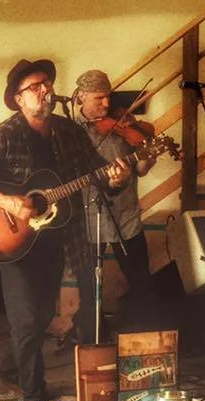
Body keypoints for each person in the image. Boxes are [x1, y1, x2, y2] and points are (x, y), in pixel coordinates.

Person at [0, 59, 131, 401]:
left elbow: (96, 172)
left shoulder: (68, 132)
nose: (45, 90)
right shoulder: (6, 134)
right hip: (12, 240)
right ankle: (33, 397)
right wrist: (7, 202)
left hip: (56, 239)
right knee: (25, 318)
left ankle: (10, 372)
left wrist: (116, 179)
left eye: (47, 83)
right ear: (19, 99)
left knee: (44, 314)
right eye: (35, 86)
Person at [73, 69, 156, 329]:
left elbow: (141, 169)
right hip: (87, 220)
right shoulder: (68, 131)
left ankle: (140, 337)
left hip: (125, 216)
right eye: (99, 98)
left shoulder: (123, 124)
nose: (107, 104)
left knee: (141, 280)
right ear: (81, 97)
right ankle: (91, 337)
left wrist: (147, 158)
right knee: (89, 287)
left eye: (108, 96)